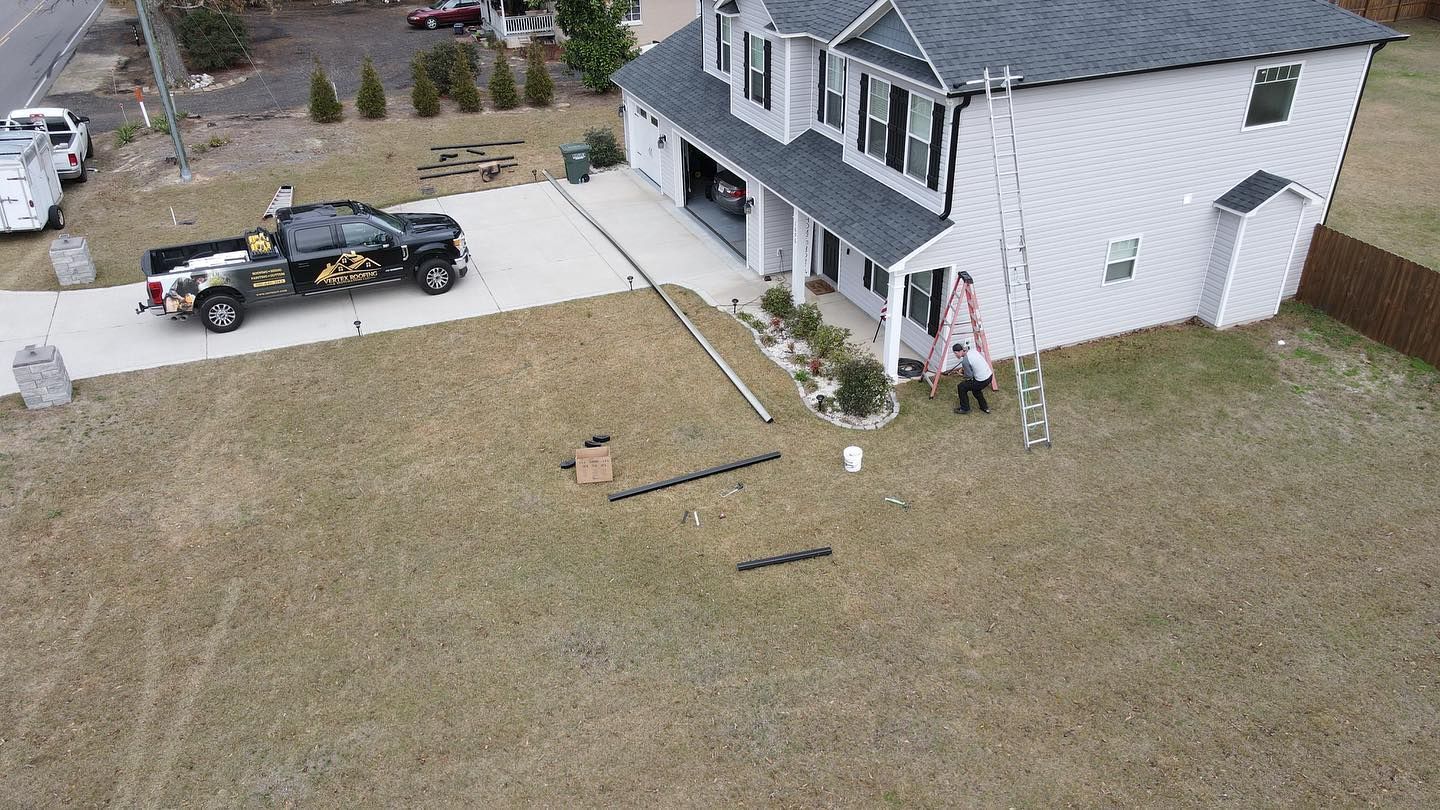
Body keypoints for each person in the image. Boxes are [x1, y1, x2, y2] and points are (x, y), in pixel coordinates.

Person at [952, 341, 992, 414]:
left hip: (982, 380)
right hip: (989, 376)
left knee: (961, 387)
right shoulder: (972, 351)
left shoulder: (965, 361)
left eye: (956, 353)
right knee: (976, 390)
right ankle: (985, 407)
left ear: (960, 351)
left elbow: (969, 376)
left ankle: (965, 408)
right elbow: (974, 366)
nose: (955, 355)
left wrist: (961, 374)